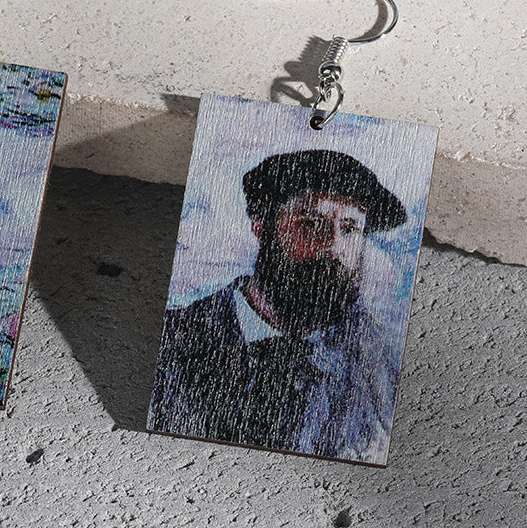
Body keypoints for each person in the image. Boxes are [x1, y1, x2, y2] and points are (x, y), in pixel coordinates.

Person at [149, 149, 408, 463]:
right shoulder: (174, 337)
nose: (333, 245)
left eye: (350, 229)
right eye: (310, 224)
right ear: (261, 228)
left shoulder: (379, 364)